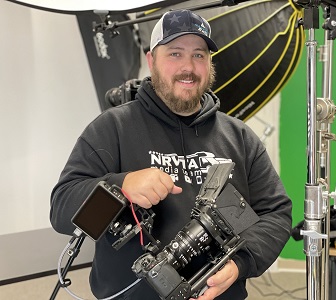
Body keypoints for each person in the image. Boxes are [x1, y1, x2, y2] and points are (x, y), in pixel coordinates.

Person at [50, 9, 292, 300]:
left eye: (199, 55)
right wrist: (121, 186)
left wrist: (239, 265)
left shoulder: (240, 138)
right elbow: (63, 210)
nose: (188, 67)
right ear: (151, 60)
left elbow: (276, 215)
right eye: (175, 54)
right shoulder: (112, 128)